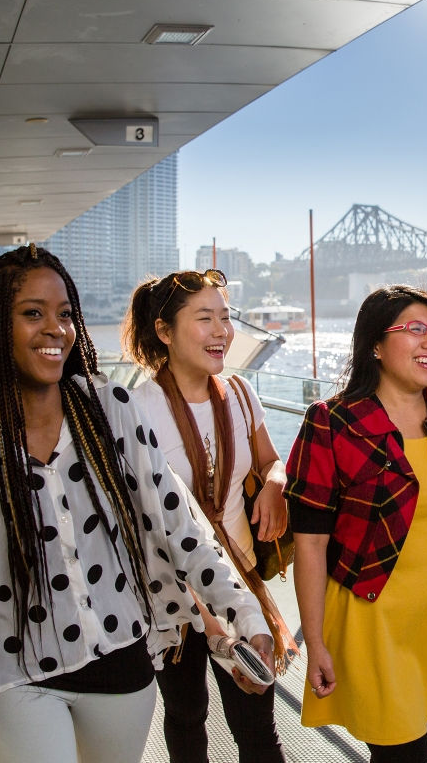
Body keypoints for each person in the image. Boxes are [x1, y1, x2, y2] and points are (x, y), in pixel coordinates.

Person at [0, 245, 272, 763]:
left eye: (64, 314)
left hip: (124, 669)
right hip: (20, 676)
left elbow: (181, 526)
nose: (55, 329)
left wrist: (247, 617)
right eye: (32, 313)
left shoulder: (113, 410)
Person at [286, 285, 427, 763]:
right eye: (414, 329)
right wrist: (315, 639)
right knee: (399, 752)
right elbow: (309, 546)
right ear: (374, 343)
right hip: (375, 619)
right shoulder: (331, 423)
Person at [123, 268, 297, 763]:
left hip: (237, 579)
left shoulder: (240, 394)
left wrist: (276, 487)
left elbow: (269, 461)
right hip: (174, 595)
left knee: (258, 728)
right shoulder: (138, 411)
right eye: (205, 318)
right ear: (164, 331)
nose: (222, 331)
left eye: (226, 317)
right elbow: (148, 526)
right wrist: (213, 623)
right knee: (186, 714)